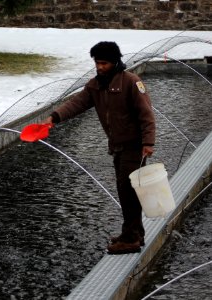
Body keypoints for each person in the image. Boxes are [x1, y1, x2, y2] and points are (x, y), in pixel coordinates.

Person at [41, 41, 155, 255]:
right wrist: (54, 118)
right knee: (126, 191)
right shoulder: (96, 85)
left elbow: (146, 114)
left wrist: (148, 142)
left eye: (104, 63)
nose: (99, 67)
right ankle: (134, 233)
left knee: (128, 191)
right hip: (117, 147)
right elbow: (77, 103)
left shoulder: (131, 82)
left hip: (134, 146)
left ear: (115, 62)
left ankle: (131, 239)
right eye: (97, 62)